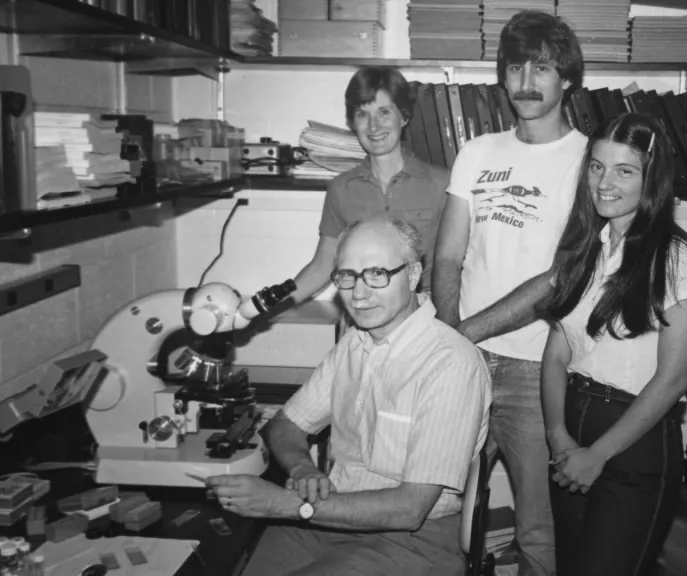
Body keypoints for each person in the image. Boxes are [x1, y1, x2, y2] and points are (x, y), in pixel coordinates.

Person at [207, 214, 492, 576]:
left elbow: (410, 508)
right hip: (332, 516)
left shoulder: (450, 364)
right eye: (347, 276)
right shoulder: (354, 343)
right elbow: (285, 425)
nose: (358, 294)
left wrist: (284, 504)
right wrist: (303, 468)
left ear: (413, 274)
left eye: (377, 274)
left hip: (413, 540)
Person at [431, 10, 587, 576]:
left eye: (541, 68)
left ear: (566, 77)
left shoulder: (588, 161)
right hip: (462, 360)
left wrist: (463, 333)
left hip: (536, 368)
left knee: (538, 528)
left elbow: (560, 278)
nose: (526, 81)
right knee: (437, 510)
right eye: (516, 67)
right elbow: (447, 255)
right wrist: (449, 336)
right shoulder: (477, 152)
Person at [537, 112, 687, 576]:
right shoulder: (585, 248)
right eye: (597, 166)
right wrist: (558, 436)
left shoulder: (678, 261)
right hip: (571, 434)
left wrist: (598, 454)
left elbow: (672, 379)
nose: (604, 182)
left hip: (633, 444)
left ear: (651, 178)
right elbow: (556, 353)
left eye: (624, 170)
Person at [287, 66, 449, 306]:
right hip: (361, 306)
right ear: (353, 122)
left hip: (423, 311)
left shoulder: (441, 183)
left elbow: (456, 263)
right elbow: (323, 264)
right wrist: (265, 308)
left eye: (384, 112)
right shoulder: (341, 188)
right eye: (363, 114)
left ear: (404, 117)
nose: (374, 126)